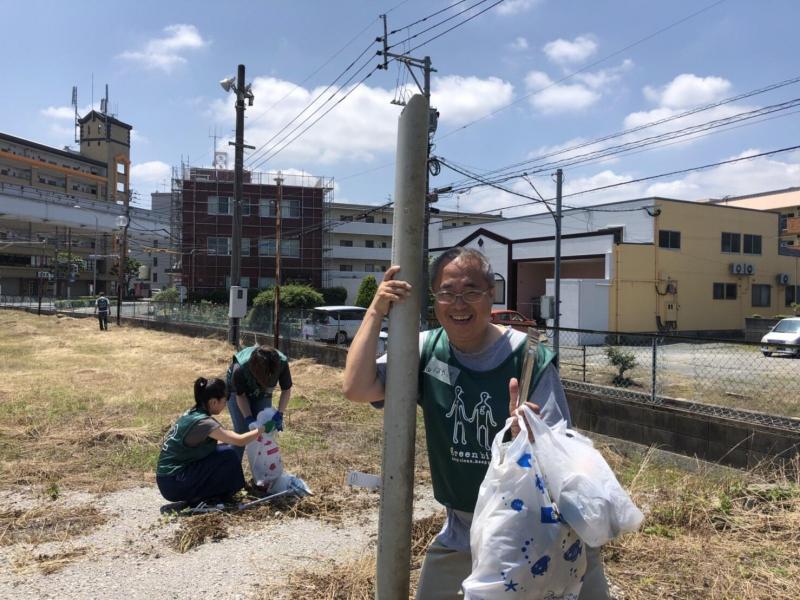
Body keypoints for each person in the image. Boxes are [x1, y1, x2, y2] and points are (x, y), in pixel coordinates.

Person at [343, 247, 609, 600]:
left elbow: (564, 452)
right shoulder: (424, 350)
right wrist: (376, 311)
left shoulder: (527, 357)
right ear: (434, 299)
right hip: (464, 526)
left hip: (538, 525)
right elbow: (357, 387)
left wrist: (530, 439)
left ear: (491, 295)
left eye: (471, 292)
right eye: (447, 293)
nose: (458, 304)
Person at [156, 377, 265, 504]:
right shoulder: (204, 423)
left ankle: (210, 494)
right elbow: (239, 441)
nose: (225, 404)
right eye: (225, 400)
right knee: (229, 455)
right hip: (174, 482)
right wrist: (262, 429)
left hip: (168, 480)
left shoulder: (192, 413)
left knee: (222, 450)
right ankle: (216, 495)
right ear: (213, 402)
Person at [226, 344, 293, 460]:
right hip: (237, 392)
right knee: (242, 431)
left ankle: (262, 471)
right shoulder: (240, 368)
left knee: (264, 429)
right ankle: (233, 469)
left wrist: (280, 413)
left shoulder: (281, 363)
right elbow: (240, 396)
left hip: (262, 393)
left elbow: (286, 389)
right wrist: (248, 418)